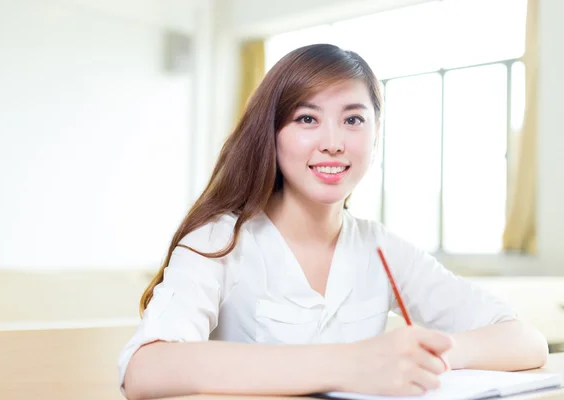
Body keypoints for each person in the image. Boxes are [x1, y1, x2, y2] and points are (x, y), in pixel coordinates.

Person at [118, 44, 548, 400]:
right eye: (307, 119)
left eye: (353, 120)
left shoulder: (381, 248)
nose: (333, 143)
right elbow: (145, 369)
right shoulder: (221, 239)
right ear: (271, 134)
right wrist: (355, 363)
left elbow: (525, 341)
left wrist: (421, 356)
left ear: (375, 136)